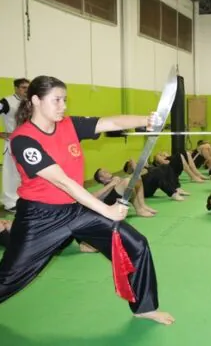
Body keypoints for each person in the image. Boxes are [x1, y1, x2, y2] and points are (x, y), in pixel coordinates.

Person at [0, 75, 174, 325]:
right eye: (57, 100)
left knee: (135, 244)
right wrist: (107, 210)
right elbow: (62, 182)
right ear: (36, 100)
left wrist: (146, 120)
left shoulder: (70, 125)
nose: (63, 106)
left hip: (75, 211)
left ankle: (144, 307)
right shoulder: (23, 139)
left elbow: (110, 121)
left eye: (65, 100)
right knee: (9, 277)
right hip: (39, 218)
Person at [0, 78, 30, 213]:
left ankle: (22, 199)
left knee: (24, 172)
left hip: (28, 141)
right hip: (12, 142)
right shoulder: (6, 102)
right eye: (23, 87)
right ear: (16, 88)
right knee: (11, 173)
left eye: (28, 88)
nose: (26, 90)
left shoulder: (30, 102)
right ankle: (9, 202)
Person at [93, 169, 158, 217]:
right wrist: (112, 184)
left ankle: (143, 205)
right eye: (104, 172)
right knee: (127, 182)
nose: (107, 171)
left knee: (137, 179)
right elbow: (95, 196)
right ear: (101, 178)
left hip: (118, 194)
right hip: (110, 202)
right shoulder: (105, 187)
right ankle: (139, 210)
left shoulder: (115, 178)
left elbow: (145, 171)